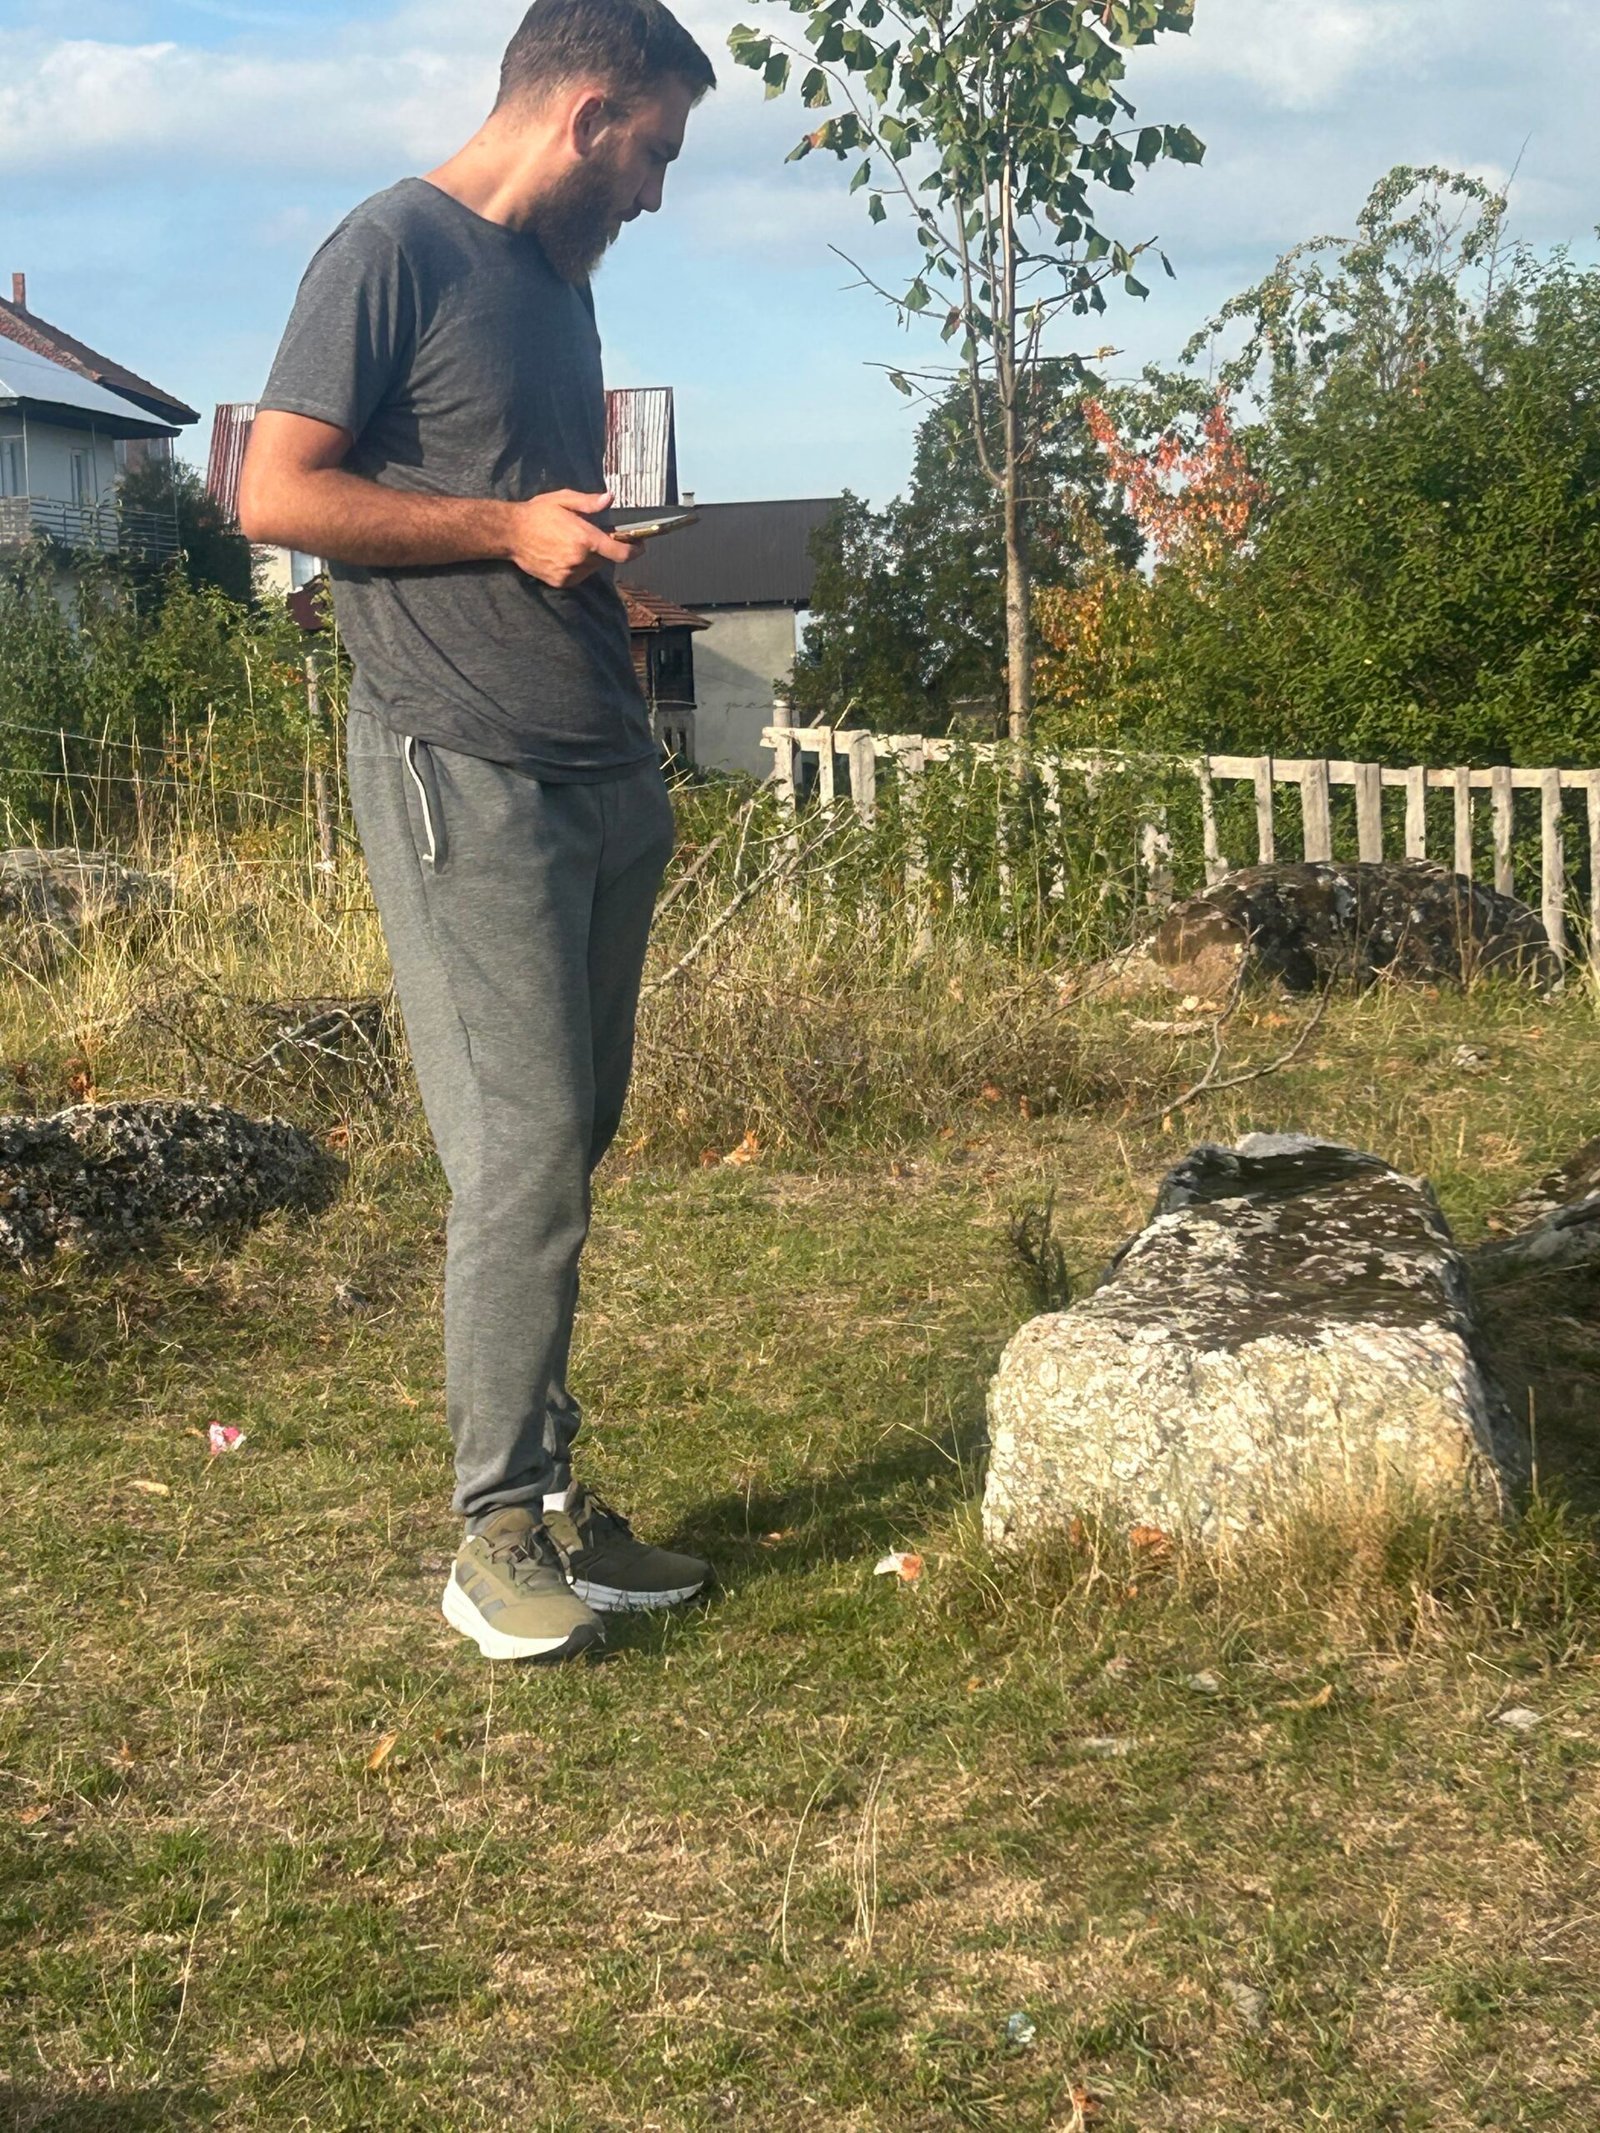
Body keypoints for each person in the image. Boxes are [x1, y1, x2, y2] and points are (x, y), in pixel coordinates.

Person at [239, 0, 717, 1663]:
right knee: (520, 1154)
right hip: (461, 764)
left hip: (600, 765)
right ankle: (493, 1530)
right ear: (587, 116)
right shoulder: (391, 249)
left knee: (568, 1145)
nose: (654, 192)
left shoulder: (558, 284)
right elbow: (276, 495)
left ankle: (560, 1504)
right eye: (653, 152)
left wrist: (570, 546)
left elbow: (518, 511)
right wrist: (505, 530)